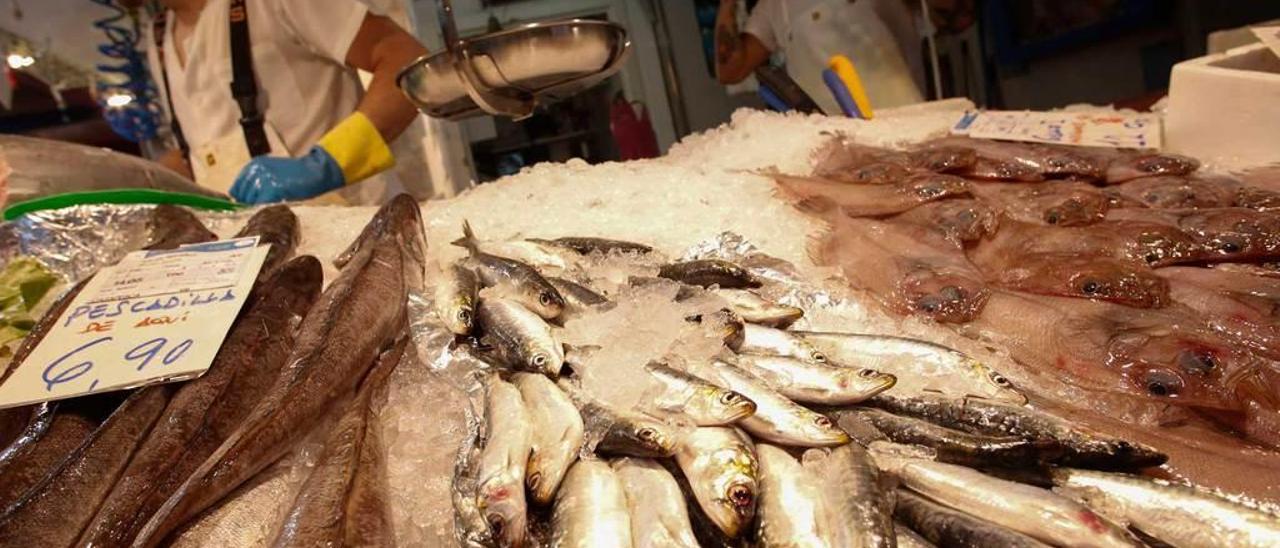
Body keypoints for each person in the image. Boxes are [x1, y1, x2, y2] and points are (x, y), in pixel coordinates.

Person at [128, 0, 427, 204]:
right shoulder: (159, 39)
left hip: (357, 230)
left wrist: (325, 165)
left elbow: (405, 58)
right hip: (258, 256)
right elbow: (203, 145)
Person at [715, 0, 925, 116]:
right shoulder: (772, 6)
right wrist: (727, 4)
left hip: (906, 120)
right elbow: (730, 70)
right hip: (840, 143)